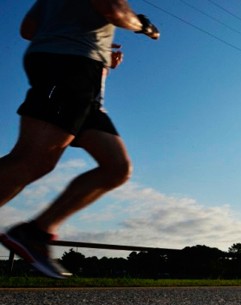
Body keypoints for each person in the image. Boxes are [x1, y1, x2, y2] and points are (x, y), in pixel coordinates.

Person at [0, 0, 160, 278]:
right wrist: (144, 26)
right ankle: (33, 233)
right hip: (68, 68)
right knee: (31, 160)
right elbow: (114, 10)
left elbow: (28, 29)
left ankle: (35, 232)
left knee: (116, 168)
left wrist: (95, 49)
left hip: (80, 73)